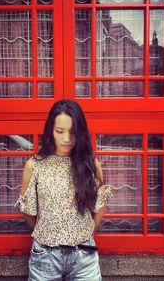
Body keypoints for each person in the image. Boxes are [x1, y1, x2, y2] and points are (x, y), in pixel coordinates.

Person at [15, 99, 112, 280]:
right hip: (45, 257)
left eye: (73, 132)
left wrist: (81, 233)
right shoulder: (35, 165)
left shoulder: (91, 165)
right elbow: (29, 213)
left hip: (84, 256)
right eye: (60, 131)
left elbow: (99, 209)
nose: (66, 139)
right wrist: (50, 232)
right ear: (50, 130)